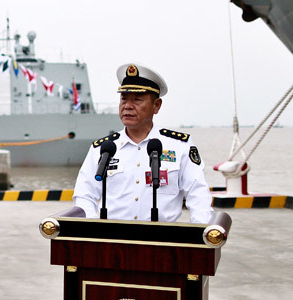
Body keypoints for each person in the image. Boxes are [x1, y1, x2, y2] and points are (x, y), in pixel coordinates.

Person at [73, 63, 212, 224]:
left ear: (156, 106)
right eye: (124, 99)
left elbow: (198, 195)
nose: (128, 106)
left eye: (137, 100)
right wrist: (95, 231)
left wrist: (201, 238)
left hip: (163, 242)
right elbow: (84, 195)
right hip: (113, 243)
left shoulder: (179, 145)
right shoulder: (103, 149)